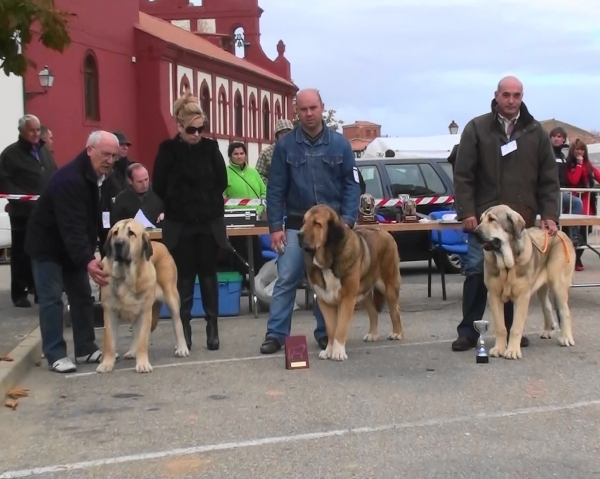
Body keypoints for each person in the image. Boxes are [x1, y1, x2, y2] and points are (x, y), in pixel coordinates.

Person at [452, 76, 559, 352]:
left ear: (522, 97)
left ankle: (514, 333)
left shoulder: (535, 132)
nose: (512, 100)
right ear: (497, 96)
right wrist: (467, 211)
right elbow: (463, 175)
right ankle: (469, 331)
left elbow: (549, 179)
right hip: (484, 221)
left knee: (516, 276)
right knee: (477, 271)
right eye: (507, 95)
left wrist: (549, 214)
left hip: (519, 221)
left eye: (517, 95)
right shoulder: (477, 128)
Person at [260, 88, 361, 354]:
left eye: (313, 108)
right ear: (297, 111)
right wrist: (274, 228)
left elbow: (352, 185)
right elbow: (275, 189)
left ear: (322, 107)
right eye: (303, 109)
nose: (308, 114)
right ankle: (276, 334)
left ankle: (324, 334)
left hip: (332, 229)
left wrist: (348, 221)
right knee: (288, 276)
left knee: (325, 280)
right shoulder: (285, 146)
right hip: (297, 226)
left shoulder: (341, 144)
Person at [24, 131, 119, 373]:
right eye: (105, 154)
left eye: (114, 156)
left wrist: (105, 250)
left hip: (74, 247)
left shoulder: (103, 178)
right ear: (90, 150)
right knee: (52, 299)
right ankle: (55, 354)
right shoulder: (70, 179)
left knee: (82, 295)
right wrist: (87, 260)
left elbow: (100, 217)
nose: (109, 160)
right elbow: (72, 225)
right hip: (48, 246)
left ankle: (86, 348)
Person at [152, 90, 228, 352]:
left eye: (201, 128)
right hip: (180, 224)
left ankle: (212, 327)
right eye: (192, 129)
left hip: (207, 222)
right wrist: (178, 199)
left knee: (208, 275)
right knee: (183, 277)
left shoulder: (211, 148)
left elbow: (222, 181)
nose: (197, 134)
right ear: (180, 125)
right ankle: (183, 328)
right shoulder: (167, 150)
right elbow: (158, 185)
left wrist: (205, 199)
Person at [0, 114, 57, 307]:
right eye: (32, 130)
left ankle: (38, 288)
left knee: (42, 252)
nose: (36, 133)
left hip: (45, 213)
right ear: (22, 131)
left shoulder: (44, 151)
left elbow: (53, 173)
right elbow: (6, 183)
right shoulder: (10, 154)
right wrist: (27, 201)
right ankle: (19, 292)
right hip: (23, 214)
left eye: (38, 129)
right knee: (21, 253)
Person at [223, 141, 267, 282]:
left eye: (242, 153)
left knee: (255, 251)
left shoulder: (254, 173)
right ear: (230, 156)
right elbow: (222, 196)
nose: (239, 156)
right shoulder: (225, 173)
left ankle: (258, 281)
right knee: (238, 252)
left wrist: (260, 208)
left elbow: (263, 192)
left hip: (254, 219)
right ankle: (239, 282)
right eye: (236, 154)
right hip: (235, 220)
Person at [564, 139, 600, 271]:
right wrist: (578, 165)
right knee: (573, 234)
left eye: (582, 149)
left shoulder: (588, 165)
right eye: (577, 149)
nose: (580, 152)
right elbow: (572, 180)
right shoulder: (569, 165)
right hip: (574, 206)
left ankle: (577, 257)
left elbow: (598, 175)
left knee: (585, 234)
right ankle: (574, 260)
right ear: (573, 151)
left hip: (588, 206)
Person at [550, 126, 583, 246]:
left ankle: (574, 235)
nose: (558, 139)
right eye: (556, 136)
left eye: (561, 137)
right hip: (551, 191)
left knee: (577, 203)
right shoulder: (547, 153)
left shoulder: (562, 157)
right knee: (575, 203)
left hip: (562, 190)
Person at [110, 163, 164, 227]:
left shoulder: (159, 191)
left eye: (146, 179)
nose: (145, 184)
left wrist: (164, 214)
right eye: (140, 182)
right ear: (130, 181)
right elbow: (116, 225)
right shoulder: (121, 199)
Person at [255, 119, 294, 185]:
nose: (286, 135)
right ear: (276, 136)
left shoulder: (300, 151)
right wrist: (272, 185)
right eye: (283, 133)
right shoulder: (266, 153)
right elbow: (258, 175)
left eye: (288, 132)